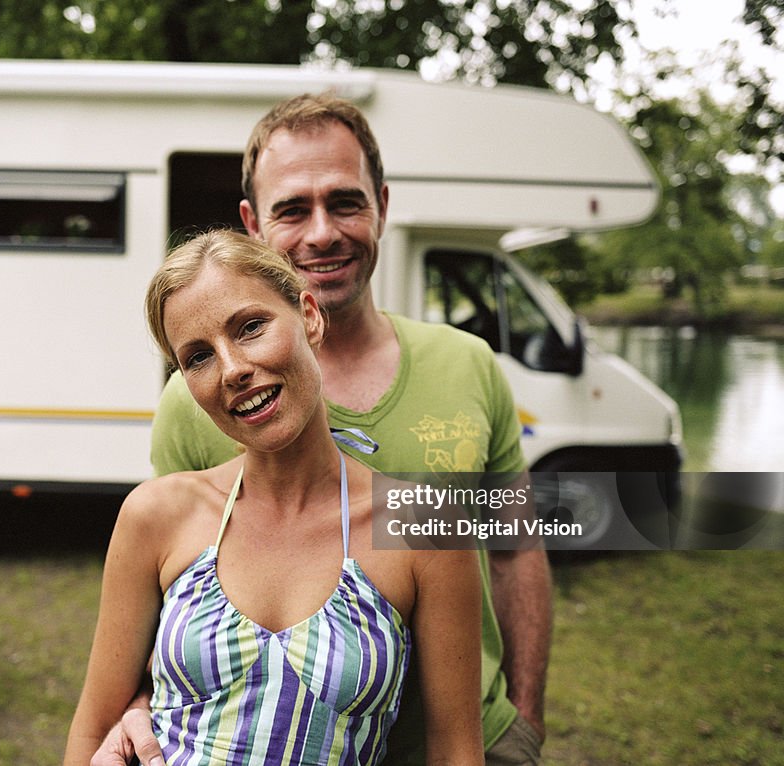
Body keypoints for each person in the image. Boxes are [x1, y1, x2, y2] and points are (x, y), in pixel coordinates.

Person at [97, 92, 552, 766]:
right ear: (252, 223)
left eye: (344, 202)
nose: (321, 233)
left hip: (472, 741)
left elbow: (515, 550)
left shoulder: (467, 367)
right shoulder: (194, 402)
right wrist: (138, 703)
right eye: (292, 208)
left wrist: (525, 719)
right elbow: (169, 593)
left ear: (383, 206)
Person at [65, 230, 484, 765]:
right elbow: (93, 729)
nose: (233, 369)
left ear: (309, 315)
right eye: (198, 357)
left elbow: (454, 751)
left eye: (251, 328)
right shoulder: (158, 515)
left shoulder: (427, 527)